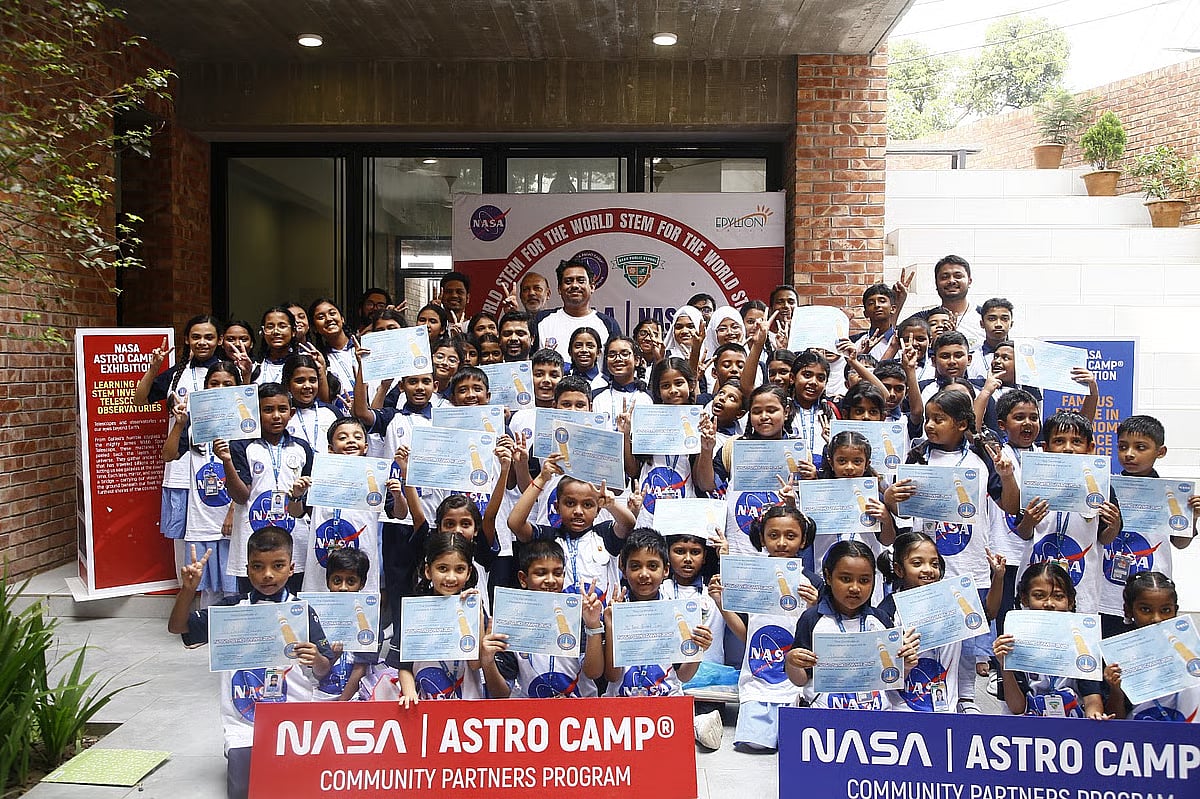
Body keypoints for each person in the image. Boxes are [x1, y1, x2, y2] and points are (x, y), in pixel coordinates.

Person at [168, 528, 333, 799]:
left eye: (278, 565)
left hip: (294, 722)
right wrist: (188, 590)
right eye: (258, 566)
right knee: (246, 792)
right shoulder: (231, 612)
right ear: (247, 569)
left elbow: (324, 671)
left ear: (291, 568)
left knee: (305, 788)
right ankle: (235, 752)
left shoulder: (302, 612)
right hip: (245, 726)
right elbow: (177, 627)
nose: (268, 574)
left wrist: (317, 659)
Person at [710, 505, 821, 751]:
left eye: (790, 536)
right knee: (755, 744)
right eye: (773, 535)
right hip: (758, 682)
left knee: (796, 750)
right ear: (762, 538)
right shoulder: (752, 579)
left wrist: (814, 607)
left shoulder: (813, 583)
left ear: (803, 539)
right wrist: (721, 603)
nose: (781, 543)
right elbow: (746, 636)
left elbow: (820, 641)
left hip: (795, 685)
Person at [879, 531, 1006, 713]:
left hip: (947, 711)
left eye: (934, 564)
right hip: (901, 711)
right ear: (899, 569)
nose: (928, 569)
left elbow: (990, 613)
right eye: (917, 563)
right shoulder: (887, 612)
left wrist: (998, 577)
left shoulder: (953, 602)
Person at [785, 540, 920, 710]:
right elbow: (800, 680)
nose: (855, 588)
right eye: (845, 579)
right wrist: (791, 662)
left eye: (864, 580)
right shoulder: (812, 619)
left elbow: (892, 679)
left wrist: (906, 664)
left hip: (877, 717)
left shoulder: (881, 619)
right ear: (828, 576)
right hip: (824, 719)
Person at [1098, 415, 1200, 637]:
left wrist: (1193, 517)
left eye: (1140, 447)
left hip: (1151, 596)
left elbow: (1180, 543)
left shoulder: (1172, 494)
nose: (1129, 454)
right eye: (1123, 447)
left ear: (1160, 452)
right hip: (1107, 594)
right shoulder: (1106, 488)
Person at [1017, 411, 1121, 617]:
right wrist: (1028, 521)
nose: (1067, 449)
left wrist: (1114, 525)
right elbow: (1024, 533)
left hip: (1082, 584)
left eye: (1076, 441)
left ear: (1090, 448)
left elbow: (1104, 538)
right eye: (1059, 441)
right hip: (1037, 584)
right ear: (1045, 448)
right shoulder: (1034, 483)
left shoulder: (1100, 486)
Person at [394, 534, 515, 705]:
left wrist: (477, 614)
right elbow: (404, 665)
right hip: (423, 706)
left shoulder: (473, 608)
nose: (451, 577)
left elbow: (475, 663)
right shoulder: (414, 611)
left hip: (468, 706)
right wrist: (409, 692)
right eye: (442, 568)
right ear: (428, 571)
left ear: (468, 573)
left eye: (459, 569)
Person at [134, 314, 224, 542]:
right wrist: (154, 368)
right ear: (186, 339)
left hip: (218, 462)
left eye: (208, 337)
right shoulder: (177, 374)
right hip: (181, 466)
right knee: (181, 538)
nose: (202, 342)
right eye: (196, 337)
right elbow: (139, 399)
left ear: (219, 340)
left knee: (220, 533)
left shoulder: (226, 373)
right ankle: (186, 580)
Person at [160, 361, 243, 606]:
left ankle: (233, 635)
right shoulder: (195, 422)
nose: (219, 388)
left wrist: (232, 511)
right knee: (207, 584)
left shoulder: (245, 424)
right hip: (202, 515)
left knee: (233, 584)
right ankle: (207, 632)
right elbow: (168, 455)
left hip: (232, 515)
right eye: (213, 384)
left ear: (238, 388)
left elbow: (247, 474)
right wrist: (180, 424)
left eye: (227, 384)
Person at [219, 383, 315, 595]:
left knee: (292, 601)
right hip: (252, 537)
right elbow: (241, 496)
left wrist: (299, 496)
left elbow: (306, 505)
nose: (276, 416)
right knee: (252, 601)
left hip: (293, 540)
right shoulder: (241, 446)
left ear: (292, 413)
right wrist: (226, 461)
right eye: (268, 410)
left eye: (282, 409)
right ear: (256, 412)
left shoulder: (302, 448)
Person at [509, 453, 636, 602]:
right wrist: (542, 479)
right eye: (570, 503)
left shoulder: (604, 534)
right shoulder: (547, 538)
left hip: (600, 621)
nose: (578, 511)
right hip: (558, 619)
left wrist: (612, 504)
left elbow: (628, 524)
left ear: (598, 510)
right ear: (556, 507)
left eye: (587, 505)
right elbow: (515, 523)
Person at [602, 529, 714, 697]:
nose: (644, 574)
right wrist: (611, 626)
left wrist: (699, 648)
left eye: (653, 566)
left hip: (668, 701)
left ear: (666, 570)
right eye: (635, 566)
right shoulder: (614, 609)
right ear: (623, 570)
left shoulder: (677, 611)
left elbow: (684, 675)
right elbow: (612, 675)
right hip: (621, 703)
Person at [992, 562, 1109, 719]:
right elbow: (1017, 707)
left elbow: (1092, 698)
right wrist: (1003, 665)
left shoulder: (1083, 642)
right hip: (1025, 725)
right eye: (1039, 596)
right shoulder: (1011, 641)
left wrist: (1095, 717)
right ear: (1025, 599)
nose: (1049, 604)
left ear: (1071, 601)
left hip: (1072, 726)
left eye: (1058, 596)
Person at [293, 417, 391, 592]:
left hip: (361, 560)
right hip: (321, 562)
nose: (351, 441)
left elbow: (399, 513)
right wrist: (296, 496)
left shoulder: (375, 478)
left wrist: (397, 494)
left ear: (366, 447)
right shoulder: (318, 477)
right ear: (330, 449)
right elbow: (296, 513)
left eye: (357, 437)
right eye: (343, 437)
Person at [508, 540, 606, 698]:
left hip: (580, 709)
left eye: (558, 573)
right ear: (523, 579)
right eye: (541, 573)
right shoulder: (511, 621)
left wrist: (593, 624)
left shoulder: (577, 615)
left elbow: (593, 672)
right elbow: (501, 689)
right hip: (531, 715)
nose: (551, 580)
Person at [1103, 572, 1199, 721]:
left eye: (1165, 610)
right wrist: (1115, 689)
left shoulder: (1192, 650)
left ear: (1175, 610)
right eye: (1145, 610)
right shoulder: (1116, 656)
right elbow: (1116, 721)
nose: (1156, 619)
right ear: (1128, 610)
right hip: (1137, 738)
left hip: (1188, 739)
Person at [314, 548, 376, 701]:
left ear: (362, 583)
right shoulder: (316, 614)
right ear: (328, 580)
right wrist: (331, 658)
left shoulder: (370, 616)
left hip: (357, 695)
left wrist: (341, 705)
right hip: (322, 692)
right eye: (337, 580)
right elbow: (317, 673)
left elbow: (360, 668)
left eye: (351, 581)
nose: (343, 587)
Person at [534, 257, 620, 359]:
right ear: (559, 289)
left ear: (592, 287)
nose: (575, 285)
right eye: (568, 281)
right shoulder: (541, 320)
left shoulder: (608, 324)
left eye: (581, 281)